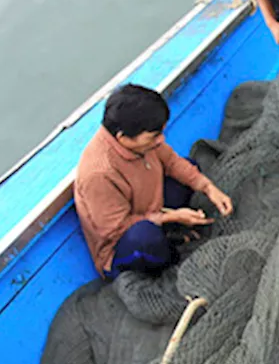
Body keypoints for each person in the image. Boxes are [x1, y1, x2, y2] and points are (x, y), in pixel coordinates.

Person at [74, 85, 234, 278]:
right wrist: (171, 217)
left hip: (151, 210)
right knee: (146, 237)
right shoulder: (98, 174)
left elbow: (173, 162)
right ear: (123, 138)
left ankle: (171, 233)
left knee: (189, 168)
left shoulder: (145, 139)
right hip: (123, 245)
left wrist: (208, 188)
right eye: (155, 136)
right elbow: (115, 229)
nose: (161, 140)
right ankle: (172, 254)